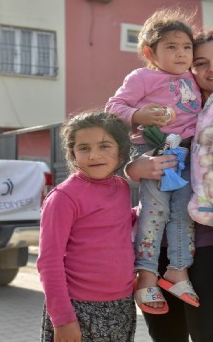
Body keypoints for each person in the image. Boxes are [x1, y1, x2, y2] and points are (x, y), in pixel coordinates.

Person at [125, 29, 213, 342]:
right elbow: (114, 155)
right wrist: (132, 169)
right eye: (201, 62)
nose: (212, 69)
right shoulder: (166, 105)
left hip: (212, 246)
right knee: (167, 338)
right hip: (157, 244)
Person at [105, 7, 203, 314]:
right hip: (153, 149)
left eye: (186, 47)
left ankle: (178, 270)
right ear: (150, 52)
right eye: (171, 47)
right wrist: (137, 115)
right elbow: (114, 107)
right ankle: (146, 275)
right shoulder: (142, 77)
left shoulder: (194, 78)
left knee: (184, 212)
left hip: (186, 153)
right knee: (155, 210)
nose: (181, 53)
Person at [36, 111, 136, 342]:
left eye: (104, 146)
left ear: (120, 151)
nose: (94, 155)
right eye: (83, 148)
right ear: (72, 153)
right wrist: (63, 320)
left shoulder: (121, 187)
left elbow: (116, 222)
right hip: (78, 311)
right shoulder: (64, 198)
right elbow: (48, 262)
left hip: (121, 306)